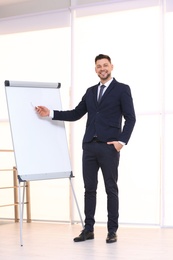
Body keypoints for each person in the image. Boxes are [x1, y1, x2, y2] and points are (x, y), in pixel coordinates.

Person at [36, 54, 136, 244]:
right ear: (95, 69)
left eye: (105, 65)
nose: (102, 69)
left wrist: (121, 142)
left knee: (110, 189)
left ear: (111, 67)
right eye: (98, 66)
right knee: (89, 189)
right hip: (89, 147)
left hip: (109, 148)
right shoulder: (90, 92)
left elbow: (131, 118)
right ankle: (88, 229)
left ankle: (112, 231)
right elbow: (76, 114)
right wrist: (51, 113)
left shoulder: (122, 89)